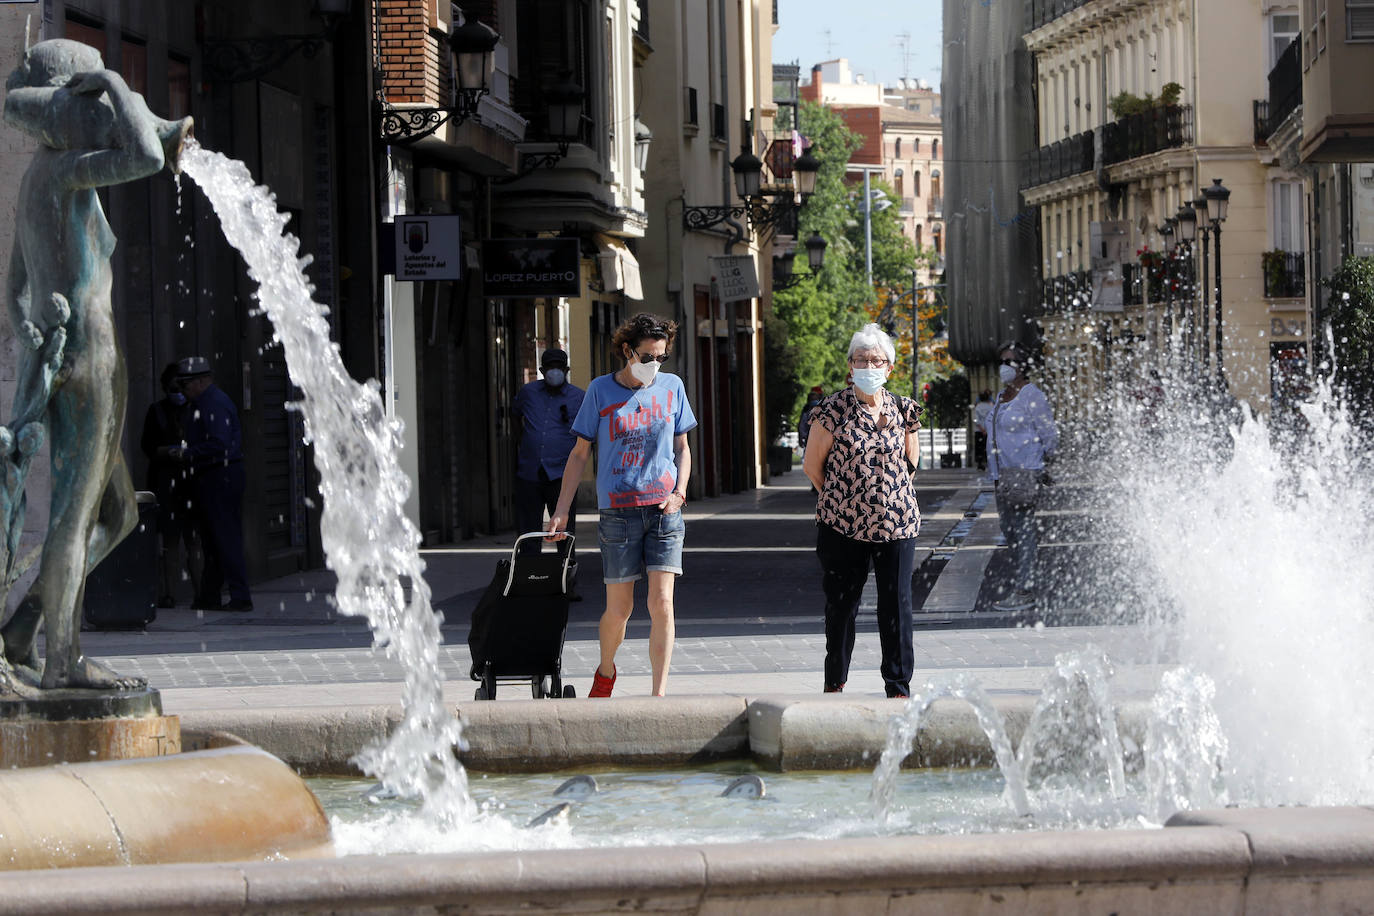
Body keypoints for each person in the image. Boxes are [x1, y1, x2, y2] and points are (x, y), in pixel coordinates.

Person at [1, 39, 189, 690]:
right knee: (76, 516)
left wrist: (30, 332)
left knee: (120, 516)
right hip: (91, 354)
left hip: (67, 353)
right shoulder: (68, 169)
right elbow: (144, 154)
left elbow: (14, 281)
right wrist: (112, 79)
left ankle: (24, 626)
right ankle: (62, 663)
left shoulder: (39, 180)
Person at [546, 313, 697, 698]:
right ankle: (607, 669)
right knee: (620, 609)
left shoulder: (672, 387)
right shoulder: (599, 391)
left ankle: (658, 695)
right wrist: (562, 509)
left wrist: (679, 493)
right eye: (648, 357)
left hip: (664, 511)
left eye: (661, 357)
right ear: (627, 351)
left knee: (662, 603)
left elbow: (682, 447)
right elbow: (579, 454)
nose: (655, 365)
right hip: (618, 514)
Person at [803, 324, 923, 698]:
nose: (869, 365)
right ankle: (835, 679)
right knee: (842, 605)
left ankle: (898, 685)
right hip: (842, 525)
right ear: (850, 366)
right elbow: (812, 465)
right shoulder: (832, 410)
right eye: (861, 359)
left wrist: (888, 497)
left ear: (889, 368)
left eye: (876, 360)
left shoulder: (904, 409)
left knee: (897, 605)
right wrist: (842, 497)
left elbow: (911, 463)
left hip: (897, 525)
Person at [171, 356, 252, 612]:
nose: (182, 391)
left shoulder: (213, 403)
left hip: (221, 475)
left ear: (202, 381)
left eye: (186, 385)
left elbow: (219, 443)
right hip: (212, 476)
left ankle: (240, 596)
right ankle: (209, 596)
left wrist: (187, 453)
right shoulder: (202, 403)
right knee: (213, 541)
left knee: (225, 537)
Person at [986, 342, 1058, 613]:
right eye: (1002, 361)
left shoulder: (1032, 396)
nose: (1004, 366)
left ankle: (1025, 589)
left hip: (1024, 472)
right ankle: (1023, 581)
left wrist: (1040, 463)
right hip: (1001, 474)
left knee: (1023, 530)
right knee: (1010, 531)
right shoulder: (1002, 396)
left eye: (1010, 361)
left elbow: (1050, 435)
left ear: (1023, 366)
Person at [512, 348, 585, 598]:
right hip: (530, 471)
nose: (555, 372)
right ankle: (530, 583)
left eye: (559, 368)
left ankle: (566, 584)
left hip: (562, 475)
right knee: (528, 531)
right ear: (542, 372)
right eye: (550, 368)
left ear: (566, 371)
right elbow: (516, 420)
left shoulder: (578, 398)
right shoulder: (528, 393)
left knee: (564, 532)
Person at [140, 361, 203, 608]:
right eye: (172, 386)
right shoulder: (157, 411)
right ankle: (170, 593)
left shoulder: (196, 409)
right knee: (170, 541)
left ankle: (199, 591)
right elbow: (147, 447)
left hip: (192, 482)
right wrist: (167, 452)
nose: (177, 391)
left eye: (181, 385)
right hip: (166, 483)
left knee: (194, 540)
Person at [797, 386, 825, 451]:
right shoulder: (824, 406)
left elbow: (801, 425)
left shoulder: (806, 408)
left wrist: (800, 438)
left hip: (809, 438)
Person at [972, 390, 993, 471]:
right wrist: (986, 429)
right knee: (988, 447)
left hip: (979, 430)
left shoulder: (977, 407)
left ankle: (980, 463)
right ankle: (989, 462)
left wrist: (981, 429)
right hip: (988, 430)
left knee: (979, 447)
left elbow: (976, 419)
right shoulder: (990, 407)